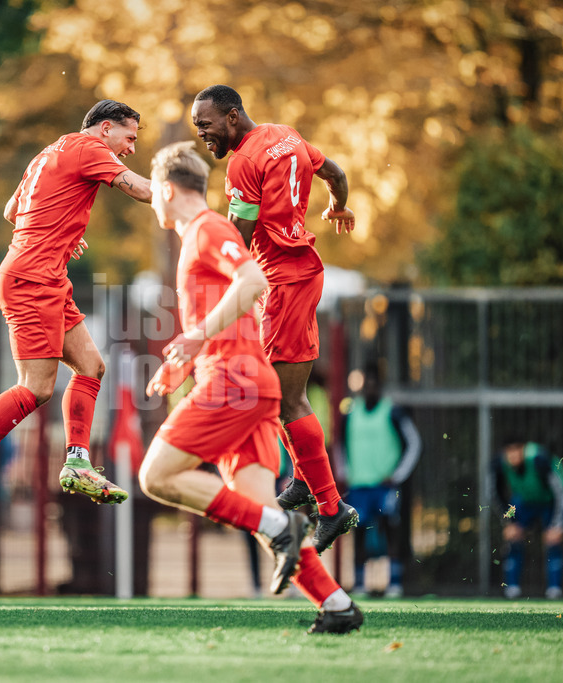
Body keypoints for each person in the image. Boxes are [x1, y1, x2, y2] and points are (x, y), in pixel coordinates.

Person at [138, 141, 363, 634]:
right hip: (246, 381)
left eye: (153, 192)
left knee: (155, 477)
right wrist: (188, 357)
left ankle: (285, 526)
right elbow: (242, 306)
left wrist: (196, 339)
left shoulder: (206, 229)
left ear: (168, 190)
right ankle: (338, 605)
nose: (151, 201)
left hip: (233, 382)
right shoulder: (197, 234)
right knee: (260, 511)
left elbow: (252, 281)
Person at [0, 100, 152, 524]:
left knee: (91, 367)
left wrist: (59, 232)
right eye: (129, 139)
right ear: (105, 129)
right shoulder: (91, 150)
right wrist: (184, 193)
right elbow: (142, 190)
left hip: (44, 275)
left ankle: (76, 462)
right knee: (36, 388)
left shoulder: (50, 151)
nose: (130, 149)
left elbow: (12, 211)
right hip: (32, 280)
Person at [190, 85, 357, 553]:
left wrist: (207, 273)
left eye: (205, 125)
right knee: (282, 395)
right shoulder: (287, 135)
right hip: (299, 274)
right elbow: (337, 173)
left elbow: (239, 238)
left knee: (283, 399)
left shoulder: (243, 163)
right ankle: (307, 483)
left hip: (283, 282)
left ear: (232, 116)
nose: (203, 135)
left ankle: (330, 507)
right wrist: (338, 205)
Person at [342, 361, 422, 597]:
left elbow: (415, 444)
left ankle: (394, 583)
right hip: (358, 485)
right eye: (366, 384)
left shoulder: (392, 411)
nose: (369, 389)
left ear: (380, 386)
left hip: (384, 486)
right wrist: (344, 472)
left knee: (390, 531)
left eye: (374, 384)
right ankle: (359, 584)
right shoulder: (350, 414)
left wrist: (397, 475)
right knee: (357, 533)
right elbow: (340, 446)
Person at [493, 437, 563, 600]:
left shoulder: (539, 460)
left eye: (516, 450)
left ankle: (554, 590)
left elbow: (562, 492)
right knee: (513, 538)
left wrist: (558, 525)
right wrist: (508, 522)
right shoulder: (499, 464)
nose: (512, 455)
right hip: (523, 502)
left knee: (553, 542)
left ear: (524, 449)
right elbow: (495, 495)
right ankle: (512, 589)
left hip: (548, 501)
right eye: (509, 451)